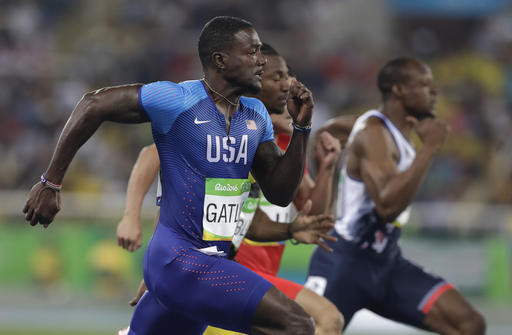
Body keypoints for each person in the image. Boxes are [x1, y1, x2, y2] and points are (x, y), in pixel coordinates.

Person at [23, 16, 317, 335]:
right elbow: (93, 103)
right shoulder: (177, 100)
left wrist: (302, 128)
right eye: (253, 52)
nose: (262, 60)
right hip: (178, 260)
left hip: (208, 263)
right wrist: (50, 183)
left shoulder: (256, 115)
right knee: (298, 325)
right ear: (220, 59)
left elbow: (280, 192)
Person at [116, 43, 344, 335]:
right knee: (325, 319)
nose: (288, 85)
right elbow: (152, 156)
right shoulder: (222, 125)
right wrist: (131, 217)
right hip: (225, 269)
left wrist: (327, 166)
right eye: (277, 78)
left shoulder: (285, 145)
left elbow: (313, 211)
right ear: (256, 84)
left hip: (231, 269)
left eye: (289, 77)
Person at [305, 57, 486, 335]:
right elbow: (387, 206)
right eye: (424, 84)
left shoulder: (381, 132)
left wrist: (328, 181)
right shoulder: (374, 133)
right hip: (344, 263)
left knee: (468, 324)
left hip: (386, 264)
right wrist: (430, 149)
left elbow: (325, 133)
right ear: (399, 90)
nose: (434, 91)